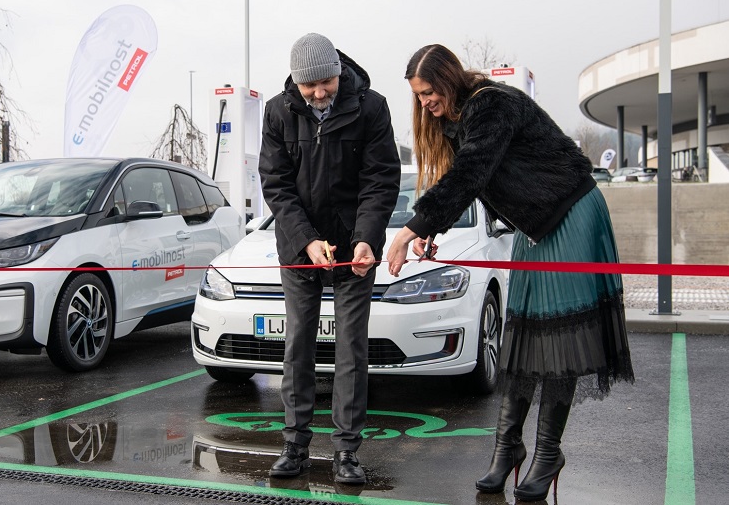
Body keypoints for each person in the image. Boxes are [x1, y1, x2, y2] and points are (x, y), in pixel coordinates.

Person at [386, 44, 634, 502]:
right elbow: (481, 180)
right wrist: (433, 228)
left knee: (560, 339)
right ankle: (507, 448)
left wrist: (408, 232)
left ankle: (547, 454)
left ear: (448, 78)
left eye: (428, 92)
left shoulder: (492, 103)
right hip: (535, 226)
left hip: (572, 213)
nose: (425, 103)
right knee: (522, 338)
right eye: (418, 96)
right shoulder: (457, 119)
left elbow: (471, 173)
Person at [259, 32, 401, 485]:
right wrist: (306, 241)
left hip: (353, 250)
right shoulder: (278, 112)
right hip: (300, 249)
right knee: (298, 342)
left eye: (327, 82)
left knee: (351, 348)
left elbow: (381, 180)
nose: (320, 93)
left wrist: (366, 240)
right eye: (310, 86)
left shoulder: (371, 107)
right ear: (296, 84)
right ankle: (294, 445)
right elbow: (275, 184)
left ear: (339, 70)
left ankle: (346, 451)